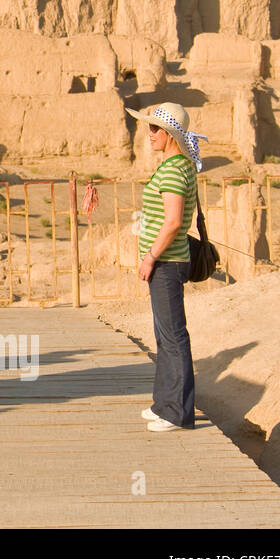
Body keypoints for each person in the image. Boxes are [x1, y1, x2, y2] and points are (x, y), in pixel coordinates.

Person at [127, 102, 205, 433]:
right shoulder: (178, 165)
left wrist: (150, 257)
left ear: (171, 135)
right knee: (164, 334)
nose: (150, 134)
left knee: (173, 336)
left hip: (167, 262)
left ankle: (177, 413)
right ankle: (164, 402)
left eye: (156, 129)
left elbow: (173, 222)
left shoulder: (174, 169)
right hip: (168, 260)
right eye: (149, 127)